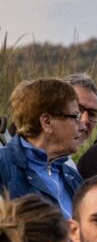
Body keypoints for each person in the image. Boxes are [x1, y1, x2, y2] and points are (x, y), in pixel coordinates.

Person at [0, 78, 84, 217]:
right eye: (75, 117)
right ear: (46, 122)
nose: (81, 127)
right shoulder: (3, 168)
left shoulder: (72, 176)